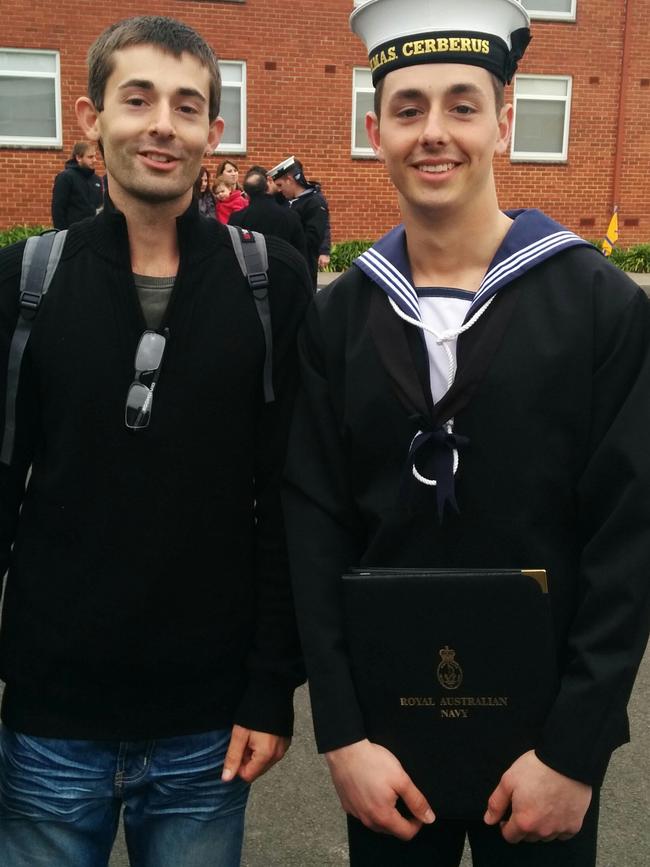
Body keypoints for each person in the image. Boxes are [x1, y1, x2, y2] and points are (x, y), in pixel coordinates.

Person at [283, 1, 650, 865]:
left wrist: (575, 750)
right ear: (376, 129)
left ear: (505, 122)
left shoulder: (600, 308)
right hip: (385, 743)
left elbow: (628, 543)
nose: (433, 132)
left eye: (461, 104)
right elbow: (312, 525)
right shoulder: (338, 317)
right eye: (408, 109)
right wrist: (340, 736)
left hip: (543, 745)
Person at [0, 15, 311, 867]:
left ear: (215, 131)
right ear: (91, 117)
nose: (161, 123)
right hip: (49, 724)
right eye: (136, 98)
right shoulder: (29, 282)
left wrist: (270, 685)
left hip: (206, 727)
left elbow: (289, 500)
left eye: (186, 105)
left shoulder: (269, 284)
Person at [268, 156, 329, 290]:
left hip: (303, 267)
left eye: (280, 185)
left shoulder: (314, 202)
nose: (278, 190)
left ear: (290, 180)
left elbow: (312, 239)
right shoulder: (285, 200)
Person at [229, 167, 308, 263]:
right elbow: (301, 253)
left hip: (250, 273)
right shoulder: (290, 216)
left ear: (247, 194)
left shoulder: (236, 218)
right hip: (285, 271)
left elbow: (232, 253)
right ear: (268, 185)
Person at [51, 140, 104, 228]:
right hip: (72, 233)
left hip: (93, 233)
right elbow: (58, 209)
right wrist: (62, 233)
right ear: (78, 158)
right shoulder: (65, 177)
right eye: (90, 157)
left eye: (95, 156)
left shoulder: (96, 180)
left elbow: (99, 208)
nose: (95, 160)